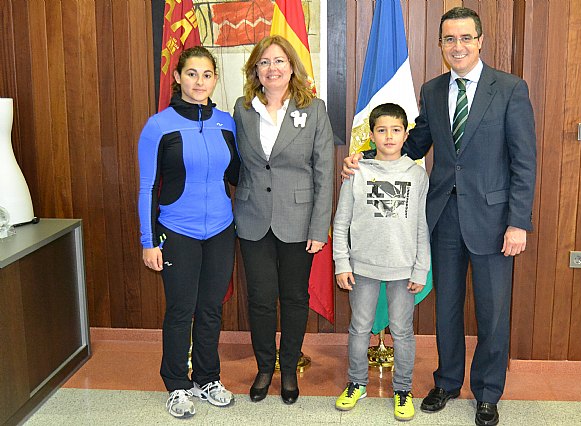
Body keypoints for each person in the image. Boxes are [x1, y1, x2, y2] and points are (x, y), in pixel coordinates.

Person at [343, 7, 536, 426]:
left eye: (465, 38)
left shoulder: (509, 88)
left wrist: (518, 222)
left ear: (480, 40)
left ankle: (487, 391)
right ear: (441, 45)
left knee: (492, 312)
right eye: (449, 39)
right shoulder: (431, 90)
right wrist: (365, 161)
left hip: (494, 221)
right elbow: (413, 145)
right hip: (443, 218)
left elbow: (524, 161)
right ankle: (447, 382)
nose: (458, 46)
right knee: (446, 308)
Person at [137, 46, 239, 418]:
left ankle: (207, 378)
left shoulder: (227, 122)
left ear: (215, 79)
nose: (200, 81)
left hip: (221, 230)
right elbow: (147, 186)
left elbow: (239, 175)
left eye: (207, 74)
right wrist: (149, 241)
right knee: (181, 310)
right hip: (177, 230)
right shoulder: (159, 126)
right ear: (178, 77)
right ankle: (177, 384)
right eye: (192, 73)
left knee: (211, 309)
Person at [233, 35, 334, 405]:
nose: (271, 68)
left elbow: (324, 171)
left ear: (292, 66)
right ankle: (264, 368)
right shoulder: (242, 109)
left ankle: (288, 368)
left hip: (299, 220)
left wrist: (319, 227)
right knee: (260, 298)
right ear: (255, 70)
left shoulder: (314, 108)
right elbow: (235, 162)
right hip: (252, 218)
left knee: (294, 298)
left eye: (278, 61)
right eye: (264, 62)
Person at [333, 103, 430, 421]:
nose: (389, 136)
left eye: (396, 129)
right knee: (359, 327)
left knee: (402, 330)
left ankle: (402, 389)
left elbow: (421, 225)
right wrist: (341, 262)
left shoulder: (417, 174)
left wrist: (420, 267)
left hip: (404, 267)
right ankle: (356, 383)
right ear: (372, 135)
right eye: (382, 130)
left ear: (405, 134)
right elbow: (341, 220)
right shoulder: (356, 170)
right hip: (363, 265)